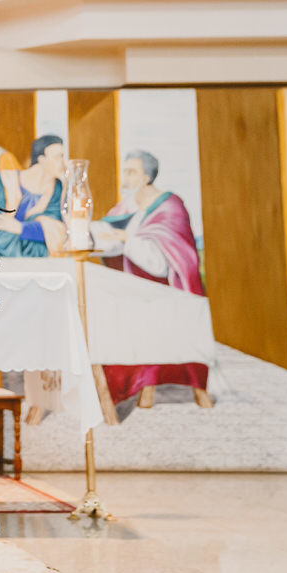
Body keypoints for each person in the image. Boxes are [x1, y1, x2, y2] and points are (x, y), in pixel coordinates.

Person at [94, 149, 210, 403]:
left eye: (132, 171)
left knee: (151, 322)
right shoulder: (128, 205)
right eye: (125, 171)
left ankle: (161, 387)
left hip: (167, 291)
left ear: (147, 176)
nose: (126, 176)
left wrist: (126, 239)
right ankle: (141, 386)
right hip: (137, 289)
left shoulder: (171, 206)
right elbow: (108, 234)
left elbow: (161, 263)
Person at [0, 134, 67, 257]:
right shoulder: (4, 179)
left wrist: (20, 228)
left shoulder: (57, 189)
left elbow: (58, 230)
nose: (63, 163)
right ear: (42, 159)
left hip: (34, 256)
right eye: (58, 157)